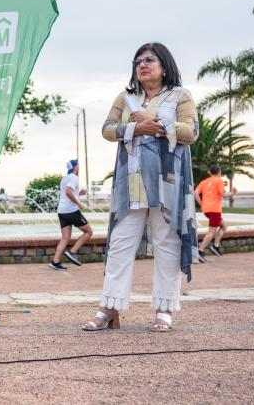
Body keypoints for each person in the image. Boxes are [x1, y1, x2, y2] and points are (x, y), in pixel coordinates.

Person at [83, 42, 198, 332]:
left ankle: (164, 310)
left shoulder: (180, 96)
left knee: (166, 245)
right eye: (138, 62)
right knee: (120, 245)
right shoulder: (126, 98)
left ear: (164, 65)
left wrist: (154, 124)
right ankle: (109, 307)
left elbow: (191, 132)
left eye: (149, 60)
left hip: (166, 185)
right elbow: (108, 129)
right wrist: (135, 128)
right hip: (130, 184)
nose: (143, 65)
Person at [49, 160, 93, 270]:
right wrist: (79, 203)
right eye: (78, 166)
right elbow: (68, 192)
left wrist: (79, 194)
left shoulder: (65, 179)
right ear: (75, 167)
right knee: (88, 232)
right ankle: (72, 252)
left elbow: (67, 193)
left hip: (62, 212)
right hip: (71, 211)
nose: (79, 168)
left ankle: (55, 261)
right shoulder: (74, 178)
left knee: (65, 238)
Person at [195, 165, 235, 260]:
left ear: (210, 172)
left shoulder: (204, 182)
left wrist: (202, 204)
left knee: (224, 225)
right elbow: (223, 194)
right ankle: (200, 251)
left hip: (207, 210)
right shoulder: (219, 180)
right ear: (219, 172)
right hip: (214, 210)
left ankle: (215, 246)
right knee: (211, 232)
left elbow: (195, 193)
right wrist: (232, 193)